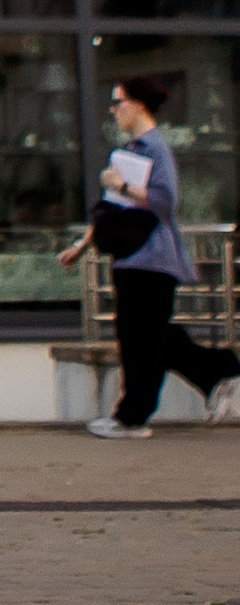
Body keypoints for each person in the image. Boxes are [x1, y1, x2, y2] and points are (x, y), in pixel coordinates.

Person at [62, 76, 240, 438]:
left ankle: (132, 417)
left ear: (139, 105)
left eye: (119, 103)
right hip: (132, 258)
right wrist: (83, 246)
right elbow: (111, 209)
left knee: (142, 342)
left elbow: (165, 201)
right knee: (150, 337)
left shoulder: (156, 147)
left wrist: (122, 184)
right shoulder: (133, 149)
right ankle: (219, 369)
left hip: (153, 258)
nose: (113, 111)